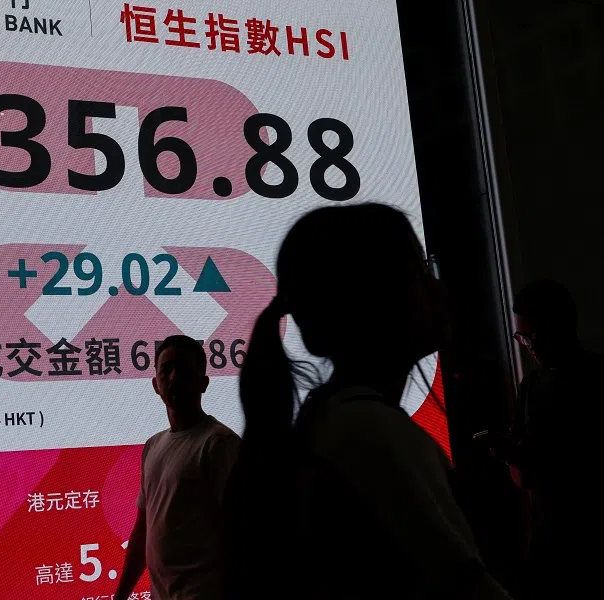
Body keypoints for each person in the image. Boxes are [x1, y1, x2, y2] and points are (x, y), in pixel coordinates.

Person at [223, 203, 512, 599]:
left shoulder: (336, 421)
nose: (440, 287)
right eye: (420, 271)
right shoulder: (370, 433)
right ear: (374, 298)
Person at [114, 335, 241, 600]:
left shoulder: (219, 444)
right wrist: (121, 595)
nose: (173, 378)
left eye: (184, 370)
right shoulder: (153, 446)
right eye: (166, 369)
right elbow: (142, 531)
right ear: (155, 384)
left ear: (203, 383)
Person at [499, 279, 603, 598]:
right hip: (551, 546)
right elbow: (525, 478)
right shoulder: (530, 387)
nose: (531, 346)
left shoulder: (536, 387)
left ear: (565, 325)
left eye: (536, 336)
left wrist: (513, 454)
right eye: (523, 337)